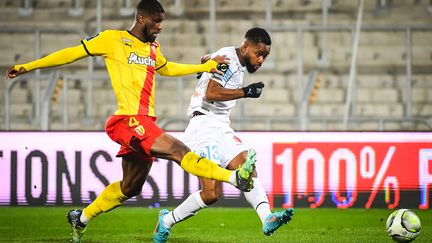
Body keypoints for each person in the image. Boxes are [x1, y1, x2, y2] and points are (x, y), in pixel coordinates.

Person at [5, 1, 257, 242]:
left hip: (144, 123)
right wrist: (29, 66)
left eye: (162, 22)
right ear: (141, 18)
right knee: (179, 151)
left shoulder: (152, 49)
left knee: (130, 187)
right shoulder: (112, 39)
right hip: (128, 120)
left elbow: (168, 68)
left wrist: (204, 67)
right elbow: (71, 54)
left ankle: (80, 218)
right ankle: (234, 179)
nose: (160, 27)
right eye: (157, 21)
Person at [153, 27, 294, 243]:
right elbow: (211, 94)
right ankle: (166, 221)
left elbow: (206, 58)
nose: (261, 60)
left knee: (247, 167)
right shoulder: (229, 59)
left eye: (265, 56)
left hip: (221, 126)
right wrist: (246, 92)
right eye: (259, 53)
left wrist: (206, 60)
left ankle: (267, 218)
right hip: (203, 127)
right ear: (245, 47)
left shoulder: (231, 58)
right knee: (211, 194)